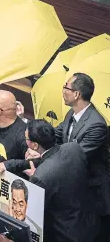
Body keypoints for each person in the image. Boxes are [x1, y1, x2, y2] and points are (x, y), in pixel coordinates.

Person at [26, 73, 110, 241]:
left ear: (77, 94)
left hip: (91, 189)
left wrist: (42, 155)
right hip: (72, 181)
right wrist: (39, 144)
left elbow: (75, 156)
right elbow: (55, 135)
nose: (63, 91)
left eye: (66, 87)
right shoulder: (71, 114)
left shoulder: (97, 125)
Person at [25, 119, 98, 242]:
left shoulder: (41, 177)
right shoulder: (74, 147)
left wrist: (35, 175)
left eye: (26, 139)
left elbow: (36, 214)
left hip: (64, 234)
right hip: (90, 223)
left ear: (35, 145)